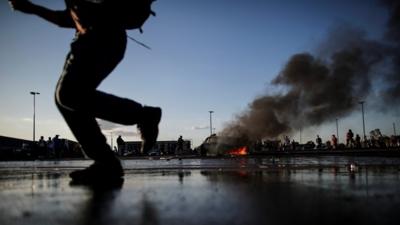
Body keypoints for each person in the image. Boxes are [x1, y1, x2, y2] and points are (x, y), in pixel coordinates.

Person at [9, 0, 162, 184]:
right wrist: (32, 8)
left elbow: (85, 12)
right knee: (66, 100)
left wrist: (32, 8)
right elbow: (68, 17)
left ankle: (142, 117)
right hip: (95, 37)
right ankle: (106, 161)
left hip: (99, 36)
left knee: (69, 95)